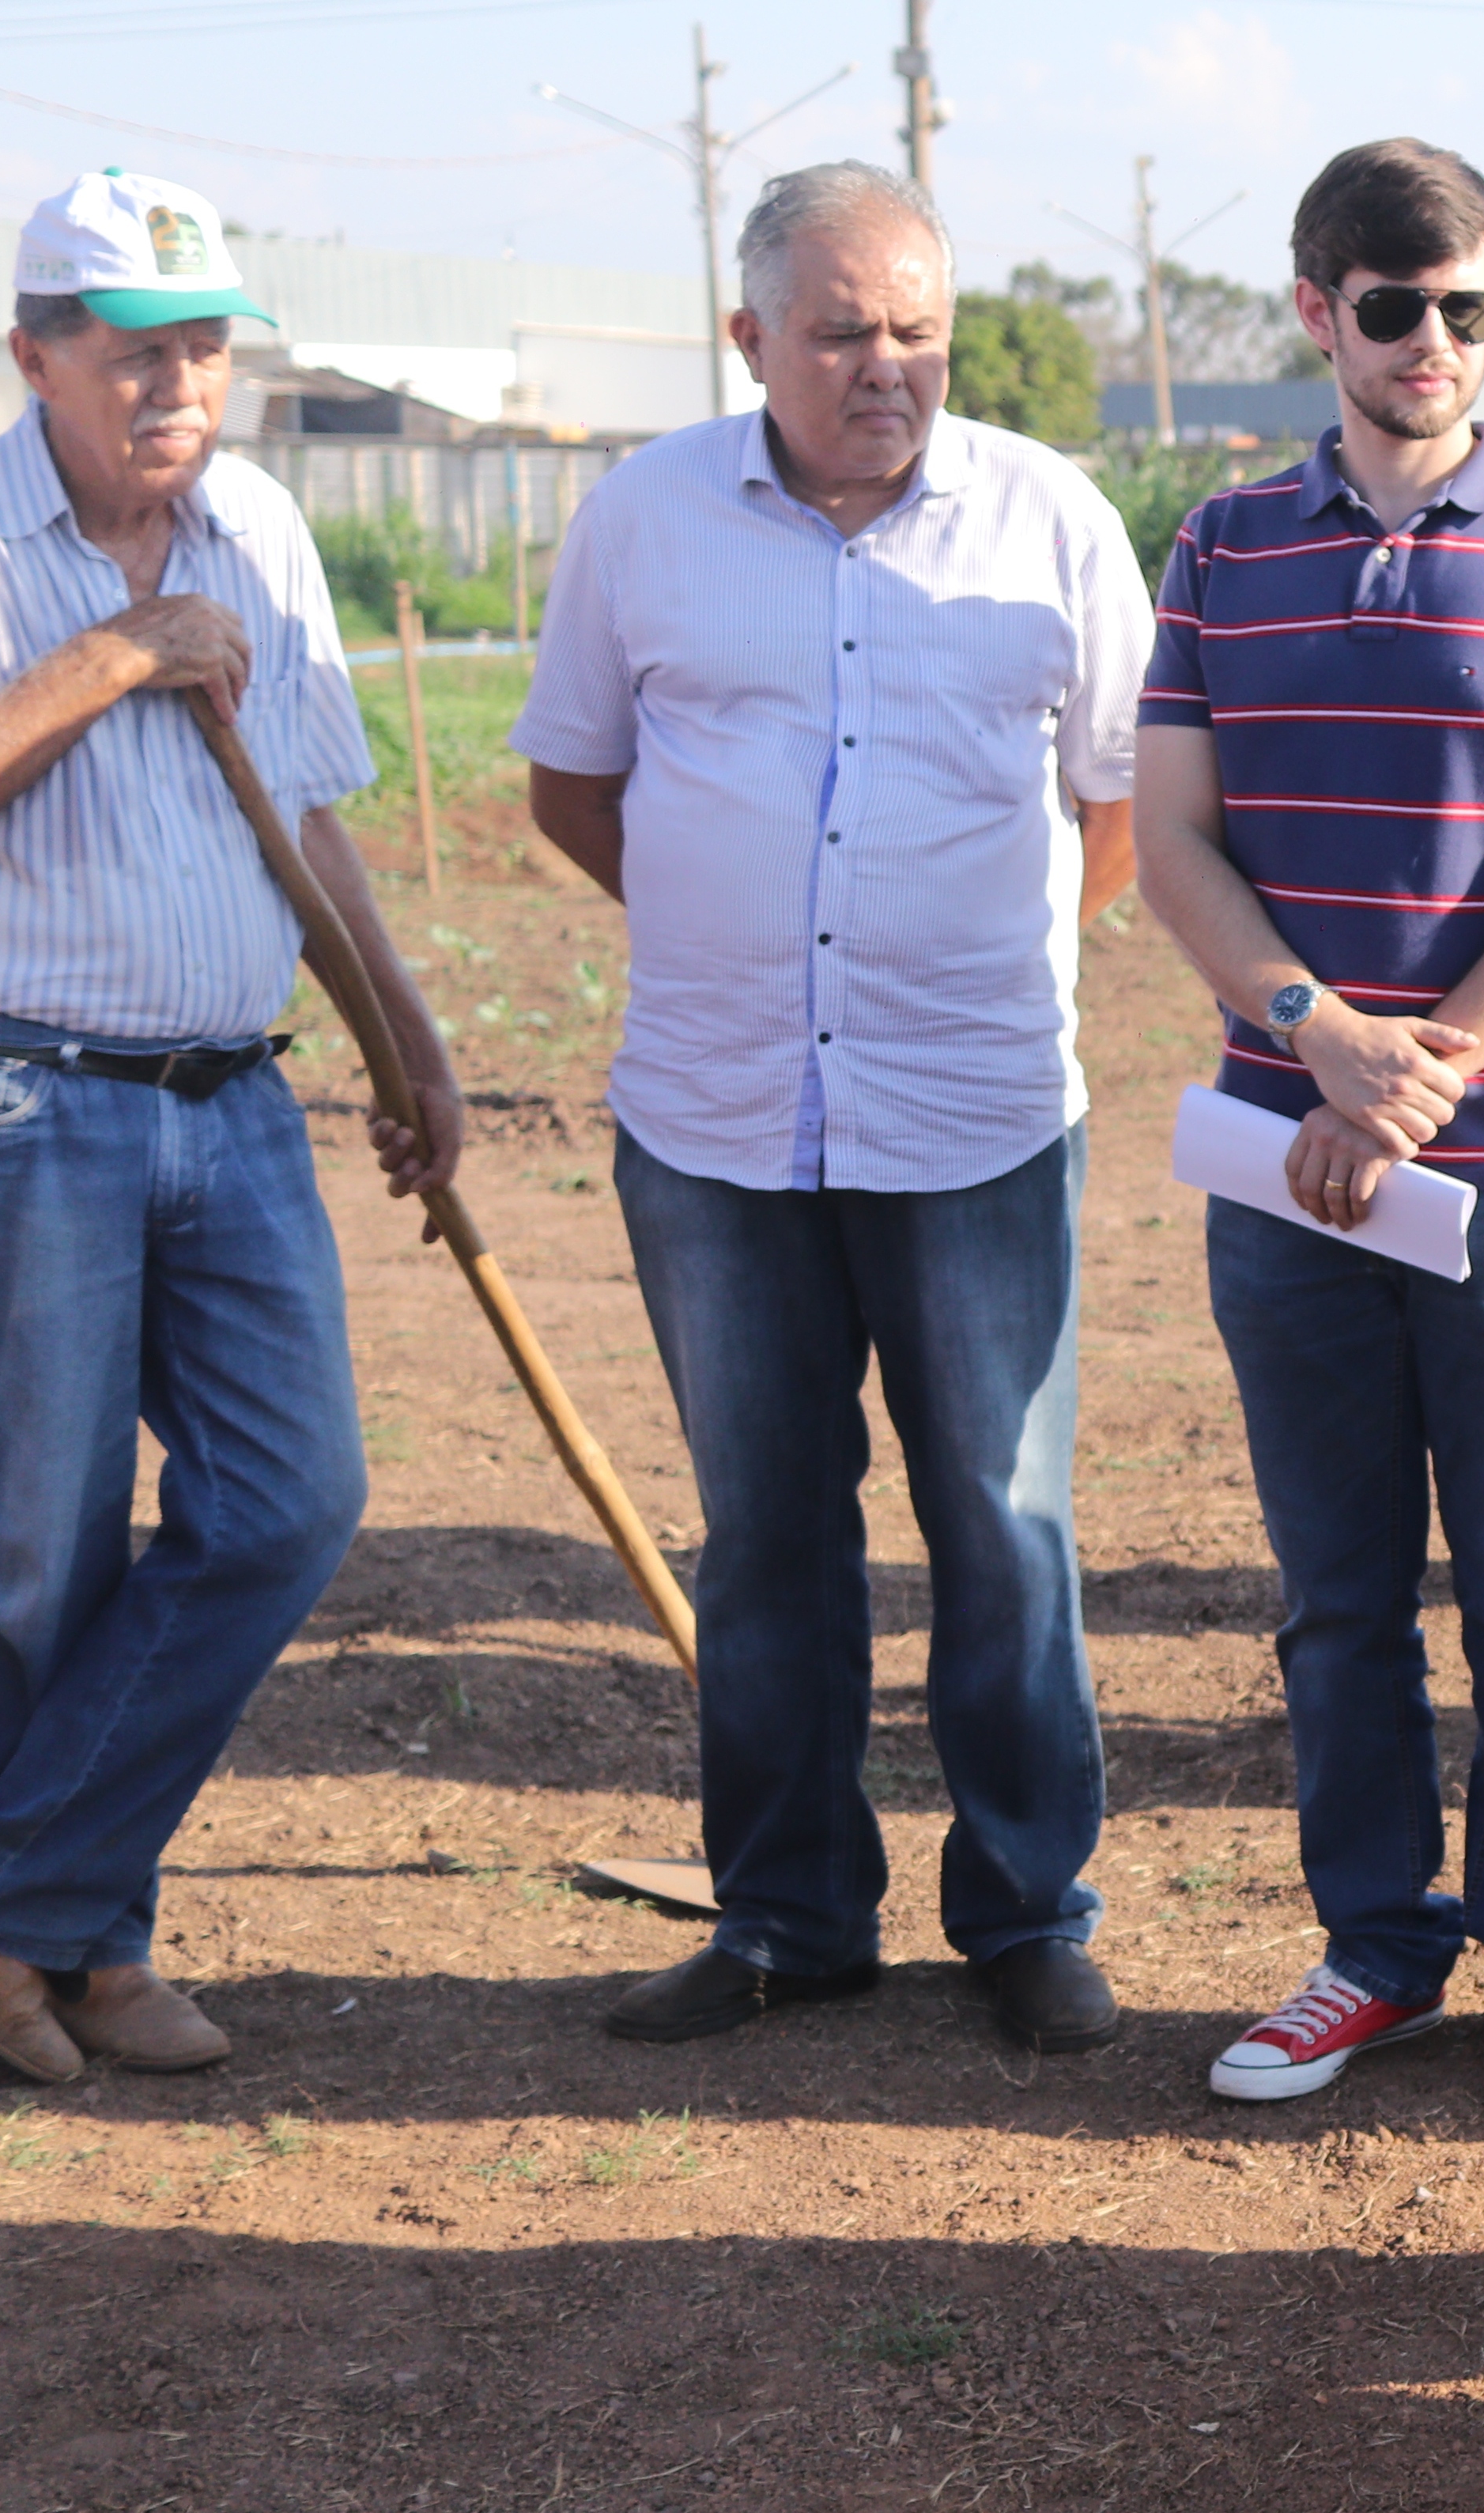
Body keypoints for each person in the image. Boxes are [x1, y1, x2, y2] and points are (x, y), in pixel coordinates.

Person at [0, 168, 460, 2085]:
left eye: (203, 346)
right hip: (23, 1100)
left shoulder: (257, 522)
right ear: (36, 355)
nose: (176, 383)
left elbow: (318, 809)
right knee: (41, 1553)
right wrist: (118, 654)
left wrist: (407, 1039)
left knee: (292, 1499)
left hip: (234, 1093)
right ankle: (82, 1952)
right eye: (133, 348)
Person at [515, 161, 1154, 2058]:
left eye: (917, 329)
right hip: (712, 1121)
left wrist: (970, 952)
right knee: (768, 1530)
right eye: (843, 331)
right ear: (749, 341)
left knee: (1003, 1524)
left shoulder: (1047, 517)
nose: (889, 366)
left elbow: (1125, 802)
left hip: (974, 1111)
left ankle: (1029, 1913)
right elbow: (573, 785)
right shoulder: (644, 518)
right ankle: (789, 1915)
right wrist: (753, 945)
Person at [1128, 140, 1484, 2115]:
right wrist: (1313, 1037)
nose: (1432, 340)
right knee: (1336, 1588)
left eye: (1467, 307)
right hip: (1282, 1161)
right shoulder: (1219, 549)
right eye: (1392, 306)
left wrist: (1417, 1067)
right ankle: (1375, 1943)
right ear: (1315, 310)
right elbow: (1169, 842)